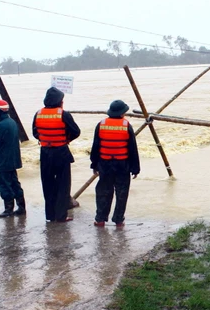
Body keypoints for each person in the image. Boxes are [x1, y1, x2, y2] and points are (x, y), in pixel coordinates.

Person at [32, 87, 81, 222]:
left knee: (47, 184)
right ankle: (61, 216)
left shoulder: (38, 114)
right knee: (63, 184)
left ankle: (50, 215)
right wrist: (66, 139)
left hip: (45, 152)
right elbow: (76, 131)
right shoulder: (63, 114)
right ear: (60, 102)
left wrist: (46, 138)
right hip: (61, 152)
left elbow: (35, 133)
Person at [90, 100, 140, 228]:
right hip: (122, 165)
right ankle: (118, 220)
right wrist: (135, 168)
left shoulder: (101, 125)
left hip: (104, 164)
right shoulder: (126, 125)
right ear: (122, 113)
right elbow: (132, 149)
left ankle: (100, 219)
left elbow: (96, 147)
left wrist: (94, 164)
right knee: (122, 193)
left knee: (103, 192)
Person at [0, 99, 25, 218]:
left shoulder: (2, 125)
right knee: (14, 183)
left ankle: (8, 209)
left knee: (4, 185)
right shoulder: (11, 122)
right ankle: (21, 207)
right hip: (12, 160)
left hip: (3, 161)